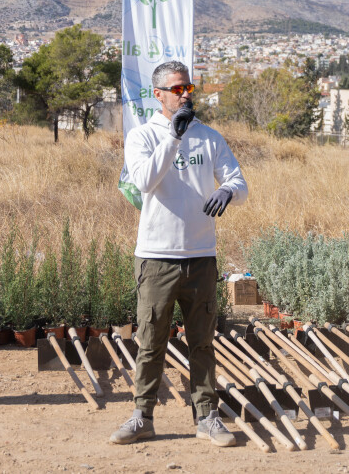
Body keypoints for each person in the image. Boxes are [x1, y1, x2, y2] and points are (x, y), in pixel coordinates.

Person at [110, 61, 248, 446]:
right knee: (151, 341)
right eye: (176, 89)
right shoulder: (143, 137)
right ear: (158, 95)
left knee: (202, 342)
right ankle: (143, 417)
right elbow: (145, 180)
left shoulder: (210, 137)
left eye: (189, 88)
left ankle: (207, 417)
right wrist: (173, 137)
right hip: (157, 257)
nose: (185, 95)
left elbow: (240, 183)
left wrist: (228, 191)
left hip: (202, 257)